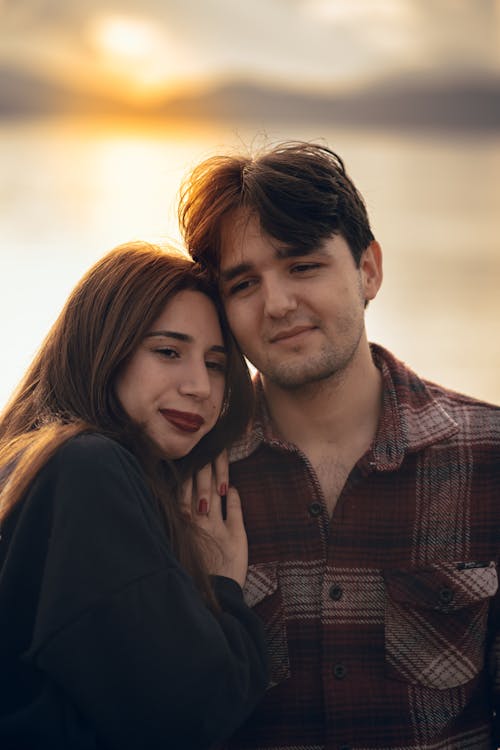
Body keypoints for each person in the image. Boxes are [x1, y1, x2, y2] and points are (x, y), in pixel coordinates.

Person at [178, 141, 500, 750]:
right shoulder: (186, 475)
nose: (277, 304)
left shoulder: (489, 458)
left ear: (368, 270)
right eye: (244, 283)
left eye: (302, 265)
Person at [0, 241, 269, 750]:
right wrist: (222, 587)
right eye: (168, 351)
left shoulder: (27, 462)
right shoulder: (87, 467)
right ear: (104, 348)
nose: (199, 387)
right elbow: (189, 713)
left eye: (215, 364)